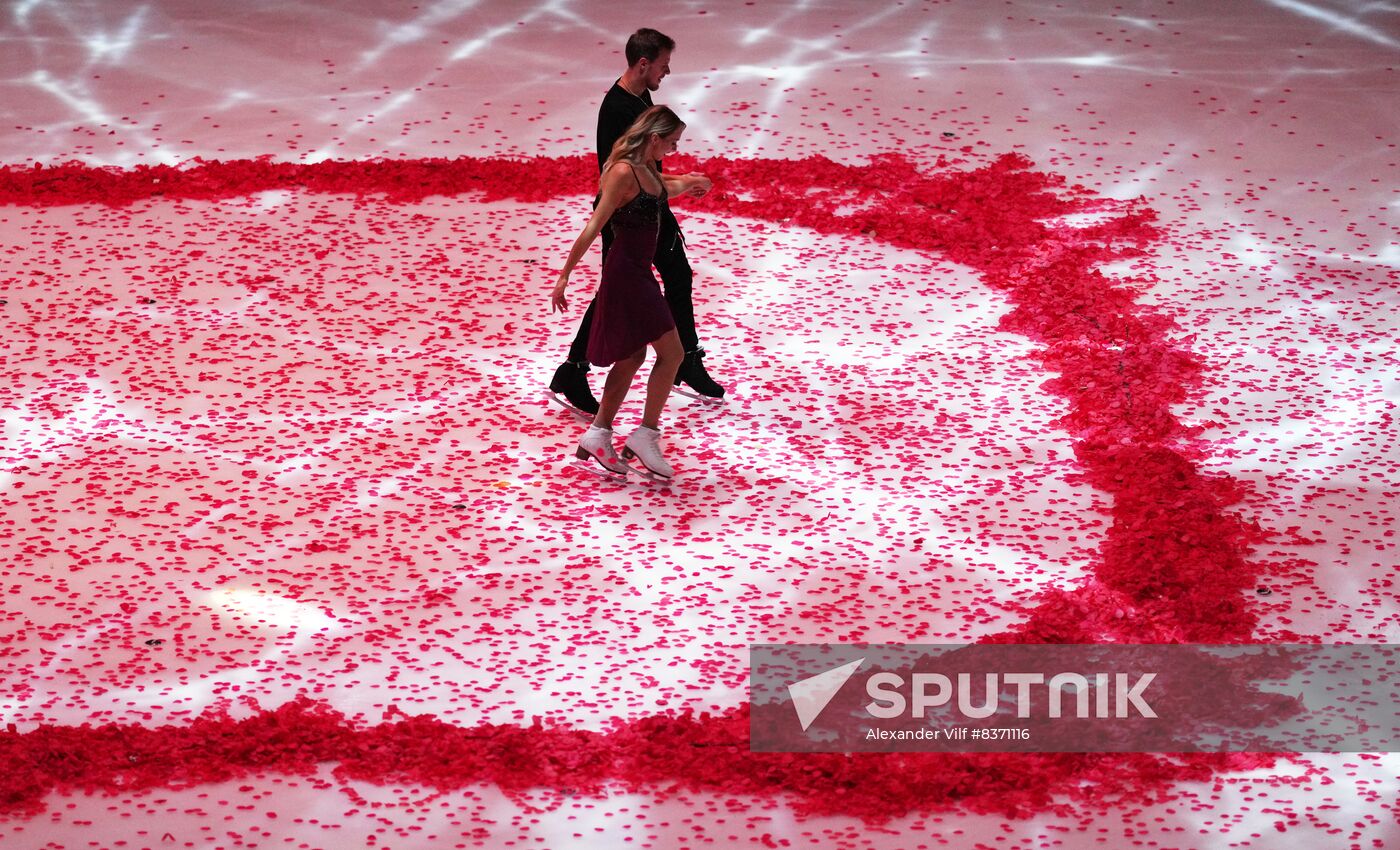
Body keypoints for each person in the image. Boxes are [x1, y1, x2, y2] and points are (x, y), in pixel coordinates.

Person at [548, 27, 724, 416]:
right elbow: (628, 173)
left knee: (676, 277)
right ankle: (577, 369)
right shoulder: (617, 108)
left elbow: (649, 166)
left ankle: (685, 358)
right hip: (628, 214)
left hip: (649, 205)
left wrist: (678, 183)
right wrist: (681, 183)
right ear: (643, 64)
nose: (667, 72)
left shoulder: (640, 95)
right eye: (663, 65)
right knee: (619, 288)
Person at [551, 106, 711, 480]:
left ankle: (597, 435)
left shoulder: (645, 171)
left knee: (632, 357)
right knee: (671, 354)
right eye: (671, 143)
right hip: (625, 274)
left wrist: (691, 180)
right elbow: (594, 226)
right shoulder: (623, 172)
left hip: (639, 272)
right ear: (654, 138)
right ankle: (645, 434)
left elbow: (665, 186)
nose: (673, 150)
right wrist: (564, 276)